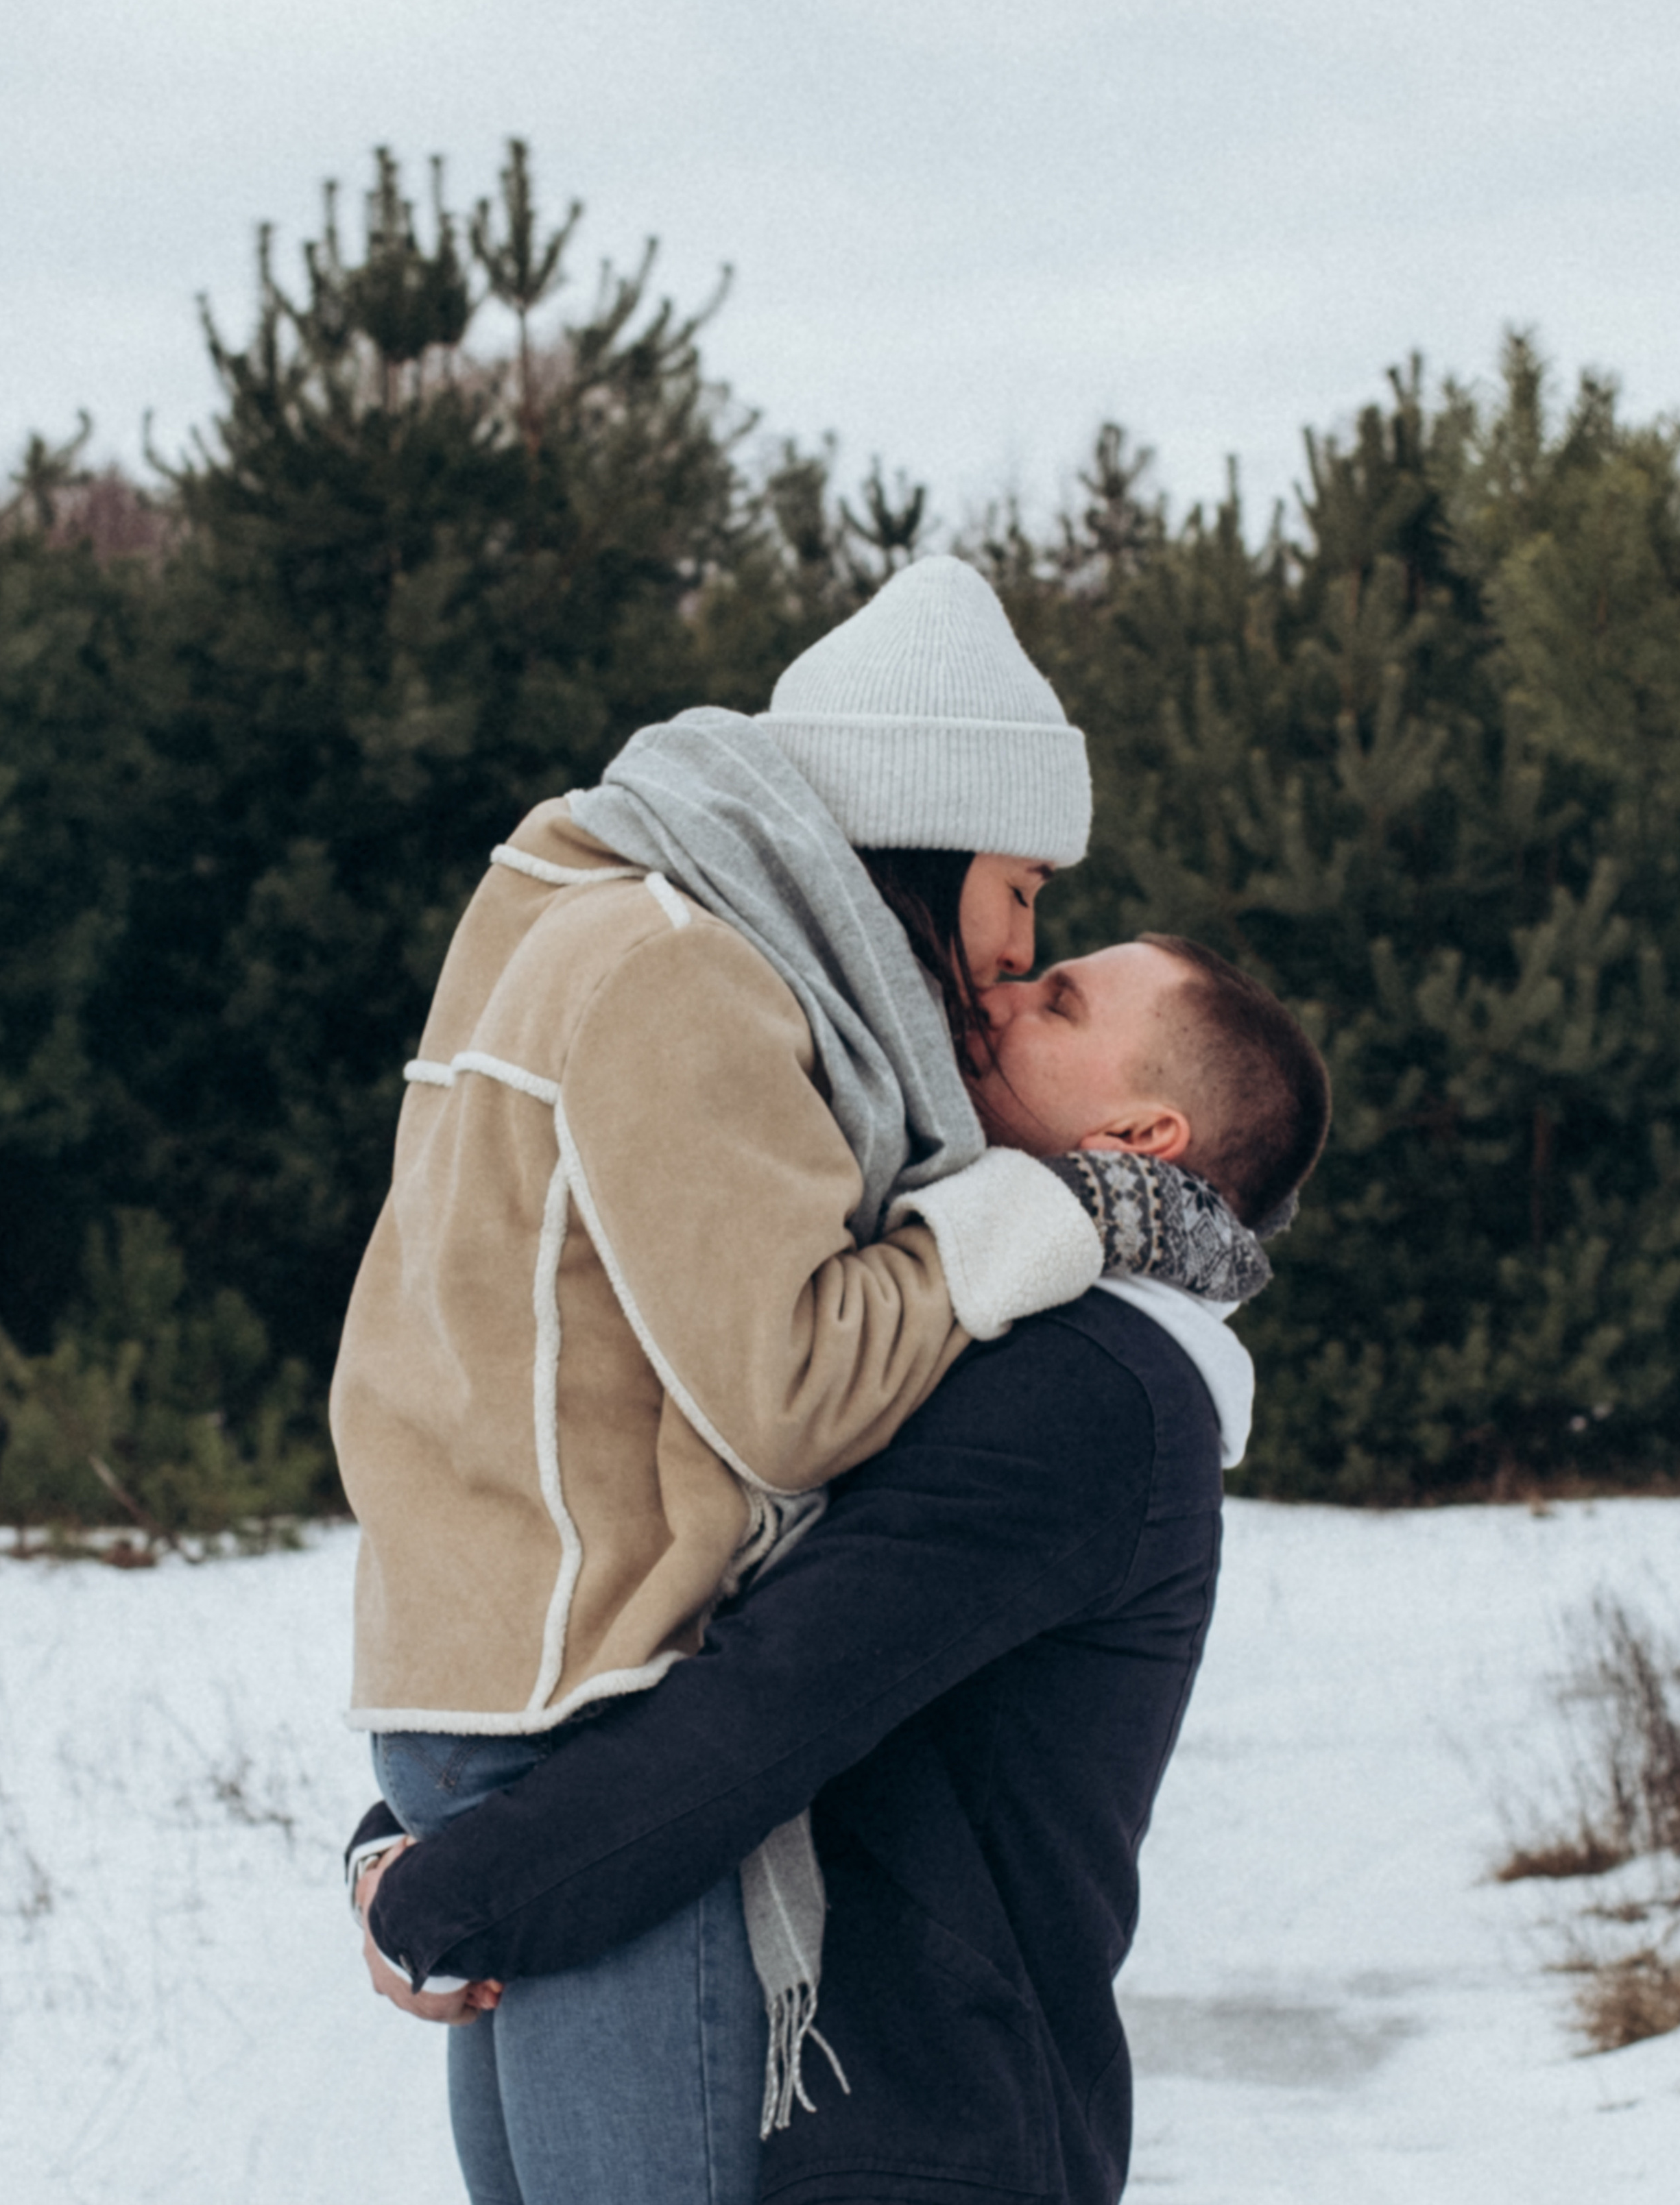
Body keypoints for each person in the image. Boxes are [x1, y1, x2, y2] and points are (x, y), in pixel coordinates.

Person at [331, 557, 1227, 2205]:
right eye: (1021, 893)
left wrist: (438, 1857)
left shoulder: (591, 919)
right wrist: (1028, 1215)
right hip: (584, 1718)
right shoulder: (686, 970)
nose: (1014, 950)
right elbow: (795, 1399)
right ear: (928, 829)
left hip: (512, 1714)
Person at [351, 935, 1330, 2205]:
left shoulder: (1095, 1390)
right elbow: (704, 1604)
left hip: (918, 2118)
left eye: (1060, 1001)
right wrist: (420, 1829)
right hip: (866, 2106)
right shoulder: (997, 1332)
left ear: (1143, 1132)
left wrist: (447, 1891)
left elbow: (775, 1695)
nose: (1000, 992)